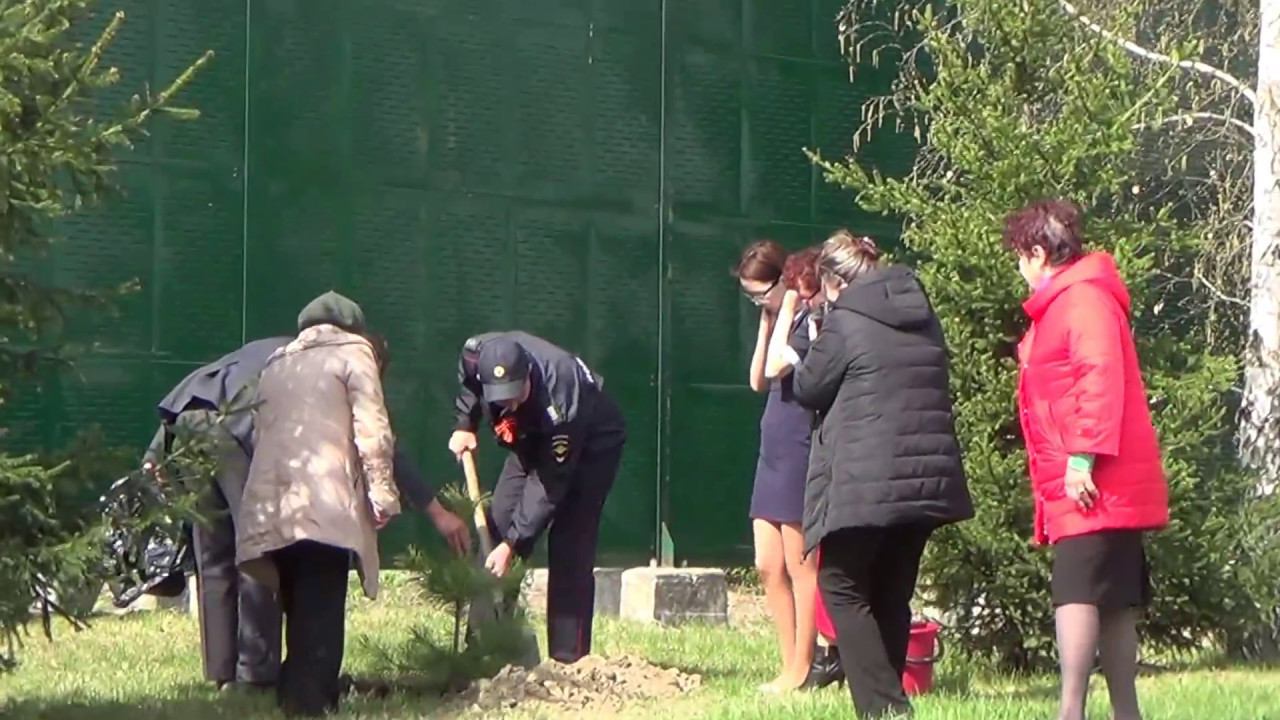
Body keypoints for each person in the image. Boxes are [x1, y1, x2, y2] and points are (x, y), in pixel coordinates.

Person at [141, 334, 471, 696]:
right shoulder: (342, 366)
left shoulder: (295, 348)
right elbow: (383, 444)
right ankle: (255, 676)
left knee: (214, 554)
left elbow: (206, 386)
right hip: (232, 432)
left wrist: (155, 452)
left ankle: (222, 672)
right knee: (257, 546)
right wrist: (437, 513)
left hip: (185, 421)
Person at [789, 230, 973, 719]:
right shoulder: (922, 315)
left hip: (866, 480)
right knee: (892, 591)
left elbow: (809, 388)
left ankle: (886, 708)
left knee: (842, 587)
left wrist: (815, 341)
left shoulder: (845, 322)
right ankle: (888, 701)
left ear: (833, 282)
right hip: (926, 479)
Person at [1003, 199, 1168, 720]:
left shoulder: (1081, 301)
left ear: (1038, 253)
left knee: (1076, 591)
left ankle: (1070, 712)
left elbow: (1099, 380)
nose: (1019, 268)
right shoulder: (1077, 300)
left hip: (1094, 480)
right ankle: (1123, 713)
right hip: (1105, 480)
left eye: (1020, 256)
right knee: (1113, 599)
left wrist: (1081, 461)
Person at [237, 291, 401, 717]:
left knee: (294, 600)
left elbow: (260, 429)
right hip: (326, 501)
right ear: (354, 327)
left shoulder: (277, 362)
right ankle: (311, 704)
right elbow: (373, 431)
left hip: (276, 500)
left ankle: (293, 694)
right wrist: (382, 494)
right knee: (322, 604)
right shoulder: (354, 353)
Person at [447, 331, 625, 664]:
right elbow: (471, 384)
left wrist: (513, 543)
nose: (510, 405)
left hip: (590, 441)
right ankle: (486, 648)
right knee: (495, 529)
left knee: (570, 543)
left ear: (528, 374)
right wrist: (465, 423)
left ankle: (569, 659)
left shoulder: (561, 399)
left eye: (515, 395)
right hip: (531, 438)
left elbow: (548, 487)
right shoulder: (475, 354)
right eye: (501, 399)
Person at [734, 240, 838, 693]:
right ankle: (786, 662)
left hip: (799, 443)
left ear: (786, 281)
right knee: (766, 564)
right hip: (772, 445)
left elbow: (779, 366)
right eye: (750, 297)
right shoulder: (779, 321)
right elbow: (758, 380)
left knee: (801, 565)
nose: (759, 302)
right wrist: (766, 321)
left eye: (762, 293)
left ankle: (803, 667)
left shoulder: (808, 321)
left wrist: (790, 305)